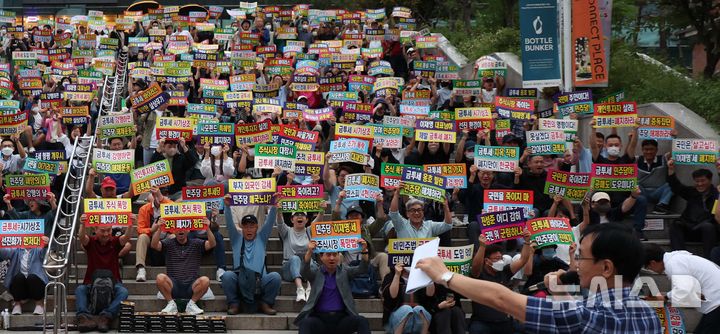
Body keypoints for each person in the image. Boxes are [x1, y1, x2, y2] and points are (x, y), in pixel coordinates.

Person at [416, 223, 662, 333]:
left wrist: (444, 275)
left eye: (583, 258)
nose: (576, 265)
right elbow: (576, 316)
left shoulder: (594, 315)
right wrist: (559, 291)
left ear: (606, 268)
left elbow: (502, 298)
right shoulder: (647, 312)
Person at [221, 195, 281, 315]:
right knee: (227, 276)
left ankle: (266, 303)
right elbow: (229, 224)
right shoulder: (236, 239)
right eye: (246, 226)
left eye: (252, 226)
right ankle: (234, 304)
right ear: (242, 228)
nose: (249, 229)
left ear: (257, 227)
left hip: (260, 280)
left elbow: (269, 223)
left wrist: (274, 206)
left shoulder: (262, 237)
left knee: (275, 277)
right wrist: (227, 207)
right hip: (240, 279)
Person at [294, 239, 371, 334]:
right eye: (328, 255)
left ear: (339, 256)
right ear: (321, 257)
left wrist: (364, 250)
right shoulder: (316, 273)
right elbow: (304, 271)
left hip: (341, 319)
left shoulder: (345, 272)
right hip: (320, 319)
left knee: (361, 320)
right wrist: (310, 251)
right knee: (305, 323)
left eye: (335, 255)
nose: (332, 258)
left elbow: (362, 269)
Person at [643, 243, 720, 334]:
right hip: (714, 301)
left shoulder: (674, 263)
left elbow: (684, 290)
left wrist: (666, 297)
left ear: (653, 263)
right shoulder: (676, 259)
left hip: (716, 302)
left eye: (648, 268)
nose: (652, 271)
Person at [468, 232, 533, 333]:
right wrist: (482, 246)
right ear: (487, 261)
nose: (500, 261)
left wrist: (527, 242)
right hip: (482, 322)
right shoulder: (479, 275)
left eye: (501, 258)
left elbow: (523, 260)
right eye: (497, 259)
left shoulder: (505, 272)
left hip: (504, 321)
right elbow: (476, 266)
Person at [151, 216, 215, 315]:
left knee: (205, 280)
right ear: (173, 231)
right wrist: (159, 228)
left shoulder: (196, 243)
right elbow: (154, 245)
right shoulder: (168, 243)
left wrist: (207, 228)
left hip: (191, 285)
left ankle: (192, 304)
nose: (180, 230)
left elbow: (212, 244)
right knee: (160, 278)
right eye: (177, 228)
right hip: (174, 285)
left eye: (183, 227)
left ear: (189, 230)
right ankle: (171, 303)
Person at [75, 223, 132, 333]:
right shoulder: (91, 242)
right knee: (80, 290)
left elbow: (126, 238)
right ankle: (83, 317)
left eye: (108, 230)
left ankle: (106, 317)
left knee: (123, 292)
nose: (106, 234)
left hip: (113, 282)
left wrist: (130, 225)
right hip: (91, 283)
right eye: (102, 230)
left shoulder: (115, 242)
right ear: (95, 230)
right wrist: (82, 224)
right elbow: (82, 237)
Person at [667, 160, 720, 258]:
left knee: (708, 227)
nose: (699, 184)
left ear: (710, 180)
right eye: (697, 181)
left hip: (707, 230)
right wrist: (671, 169)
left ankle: (709, 260)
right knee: (675, 225)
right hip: (689, 227)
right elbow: (676, 187)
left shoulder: (716, 194)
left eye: (703, 181)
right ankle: (680, 257)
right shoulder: (691, 192)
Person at [0, 236, 49, 315]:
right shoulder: (16, 249)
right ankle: (17, 304)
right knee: (18, 277)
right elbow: (4, 252)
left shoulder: (38, 249)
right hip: (20, 286)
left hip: (36, 285)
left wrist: (46, 244)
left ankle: (39, 304)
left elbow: (45, 254)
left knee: (32, 277)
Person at [381, 262, 435, 334]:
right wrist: (397, 275)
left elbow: (430, 294)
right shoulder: (390, 276)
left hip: (418, 319)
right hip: (396, 318)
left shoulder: (421, 276)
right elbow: (392, 295)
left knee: (419, 309)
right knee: (406, 309)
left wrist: (428, 275)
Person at [388, 185, 452, 239]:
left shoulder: (430, 225)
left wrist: (446, 207)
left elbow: (447, 225)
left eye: (419, 210)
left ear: (423, 212)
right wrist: (396, 194)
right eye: (413, 210)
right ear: (407, 214)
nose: (416, 213)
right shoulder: (401, 224)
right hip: (405, 254)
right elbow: (393, 213)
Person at [134, 187, 171, 282]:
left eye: (163, 195)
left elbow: (176, 229)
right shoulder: (144, 209)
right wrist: (152, 229)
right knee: (142, 237)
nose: (160, 197)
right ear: (153, 196)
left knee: (174, 237)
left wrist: (161, 198)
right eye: (158, 195)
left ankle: (175, 268)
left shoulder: (171, 206)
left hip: (166, 237)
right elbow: (140, 229)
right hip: (150, 237)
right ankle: (141, 268)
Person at [637, 139, 673, 214]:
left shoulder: (663, 159)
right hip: (642, 192)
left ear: (656, 150)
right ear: (642, 150)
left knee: (672, 184)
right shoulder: (637, 160)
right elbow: (628, 155)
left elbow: (674, 152)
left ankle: (661, 206)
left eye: (651, 149)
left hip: (658, 192)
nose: (649, 152)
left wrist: (674, 138)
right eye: (646, 149)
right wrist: (632, 138)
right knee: (634, 185)